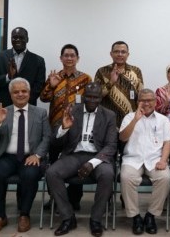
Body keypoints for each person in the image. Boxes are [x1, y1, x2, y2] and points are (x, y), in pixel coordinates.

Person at [46, 82, 117, 237]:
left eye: (96, 97)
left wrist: (92, 163)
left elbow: (111, 146)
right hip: (73, 155)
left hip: (98, 157)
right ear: (83, 97)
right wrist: (64, 128)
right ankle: (68, 217)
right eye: (89, 96)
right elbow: (55, 142)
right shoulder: (72, 111)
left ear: (101, 98)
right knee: (52, 173)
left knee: (107, 174)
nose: (92, 100)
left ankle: (96, 219)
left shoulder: (109, 115)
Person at [0, 77, 51, 234]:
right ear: (10, 94)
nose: (20, 94)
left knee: (30, 174)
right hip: (7, 157)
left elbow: (47, 137)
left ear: (29, 93)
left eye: (24, 91)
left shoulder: (40, 113)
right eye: (16, 92)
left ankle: (24, 214)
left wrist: (38, 155)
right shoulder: (3, 111)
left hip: (31, 156)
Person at [40, 43, 92, 210]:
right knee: (54, 163)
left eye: (72, 55)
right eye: (66, 55)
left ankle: (75, 198)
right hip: (56, 127)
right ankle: (54, 197)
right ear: (61, 58)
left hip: (77, 128)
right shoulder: (54, 77)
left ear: (77, 58)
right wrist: (52, 85)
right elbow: (44, 98)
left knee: (77, 162)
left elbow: (91, 101)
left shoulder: (85, 78)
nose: (69, 58)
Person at [119, 89, 170, 235]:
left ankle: (151, 215)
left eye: (150, 100)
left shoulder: (163, 120)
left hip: (155, 160)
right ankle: (135, 216)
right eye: (143, 100)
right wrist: (135, 120)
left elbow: (167, 143)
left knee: (165, 177)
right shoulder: (129, 117)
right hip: (132, 159)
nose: (147, 103)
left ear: (155, 102)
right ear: (138, 102)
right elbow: (123, 138)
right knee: (126, 177)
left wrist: (163, 160)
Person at [0, 26, 46, 119]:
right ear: (11, 39)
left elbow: (39, 86)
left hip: (28, 109)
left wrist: (22, 101)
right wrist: (8, 77)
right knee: (2, 133)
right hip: (4, 109)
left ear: (27, 39)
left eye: (21, 37)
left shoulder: (38, 60)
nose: (17, 40)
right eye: (14, 37)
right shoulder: (0, 56)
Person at [94, 40, 144, 128]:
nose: (120, 54)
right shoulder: (102, 72)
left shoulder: (136, 71)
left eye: (123, 52)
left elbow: (141, 97)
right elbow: (96, 95)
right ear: (111, 54)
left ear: (128, 54)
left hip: (130, 120)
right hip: (107, 120)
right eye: (116, 51)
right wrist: (111, 82)